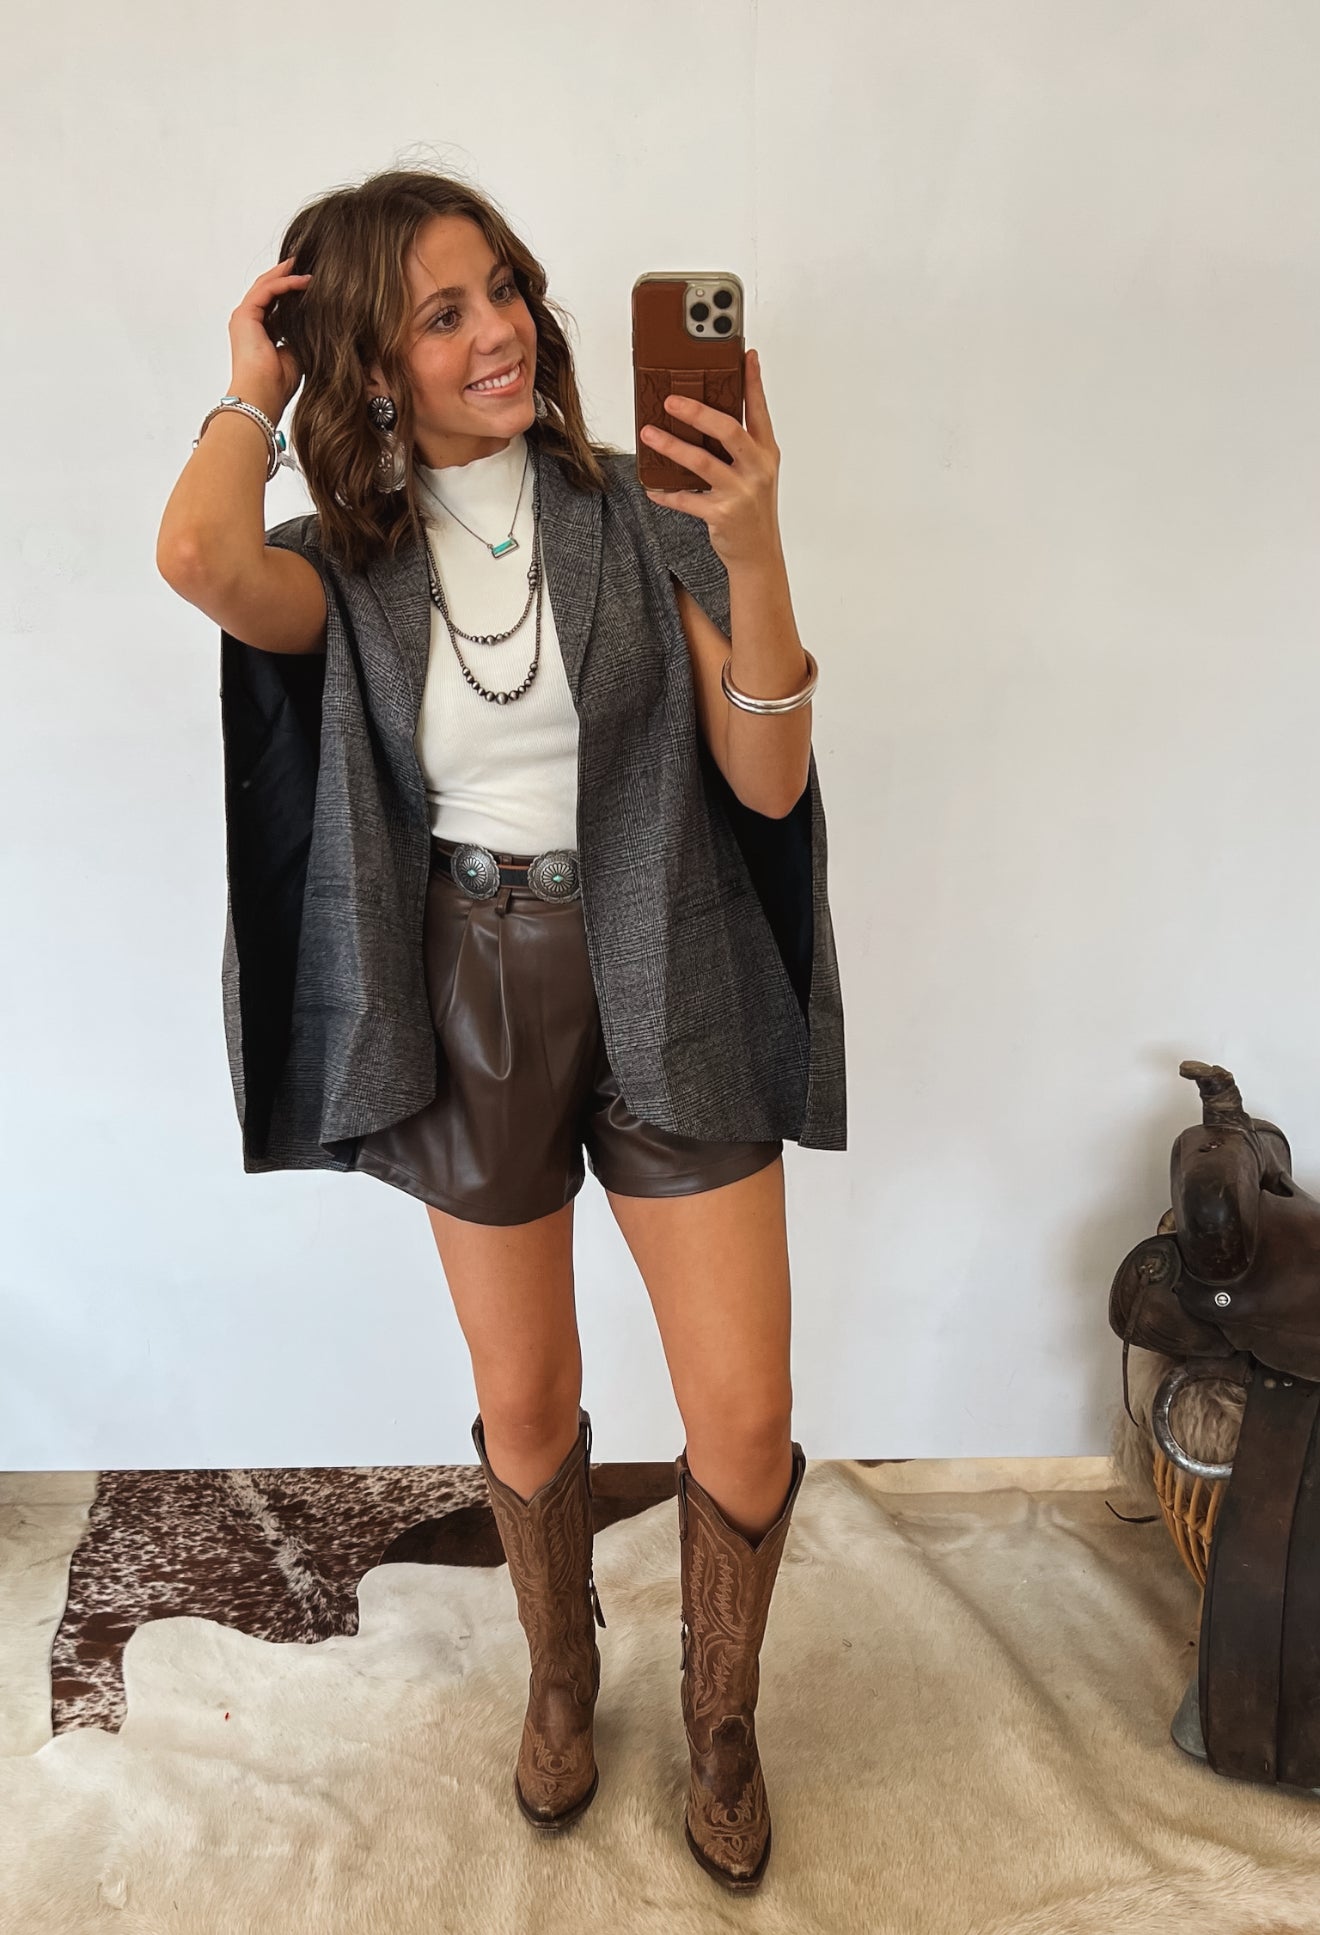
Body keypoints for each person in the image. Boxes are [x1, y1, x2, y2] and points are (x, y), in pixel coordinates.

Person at [156, 166, 845, 1893]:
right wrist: (251, 384)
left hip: (669, 953)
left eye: (506, 291)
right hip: (473, 982)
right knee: (527, 1399)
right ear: (368, 364)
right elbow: (199, 556)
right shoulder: (346, 564)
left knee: (743, 1411)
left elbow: (767, 778)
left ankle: (724, 1719)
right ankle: (559, 1673)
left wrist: (755, 544)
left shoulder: (640, 511)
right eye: (442, 314)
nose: (500, 333)